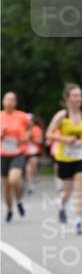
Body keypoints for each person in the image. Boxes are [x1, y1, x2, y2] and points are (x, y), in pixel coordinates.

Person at [46, 84, 82, 235]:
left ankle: (79, 221)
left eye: (80, 95)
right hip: (64, 158)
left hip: (81, 157)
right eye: (75, 96)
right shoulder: (61, 116)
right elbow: (49, 134)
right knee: (67, 192)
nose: (78, 99)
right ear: (67, 98)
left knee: (79, 190)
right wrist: (64, 138)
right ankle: (60, 204)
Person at [1, 91, 31, 222]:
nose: (9, 102)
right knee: (6, 186)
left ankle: (18, 200)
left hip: (18, 152)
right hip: (3, 153)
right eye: (7, 99)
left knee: (14, 179)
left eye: (12, 100)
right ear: (3, 101)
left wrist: (26, 136)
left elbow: (30, 128)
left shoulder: (22, 116)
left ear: (15, 102)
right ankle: (9, 209)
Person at [24, 115, 44, 194]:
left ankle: (33, 179)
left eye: (30, 121)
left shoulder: (36, 129)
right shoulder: (22, 128)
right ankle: (29, 182)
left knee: (34, 164)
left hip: (35, 151)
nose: (29, 123)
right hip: (25, 152)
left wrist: (32, 138)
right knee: (28, 167)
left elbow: (40, 141)